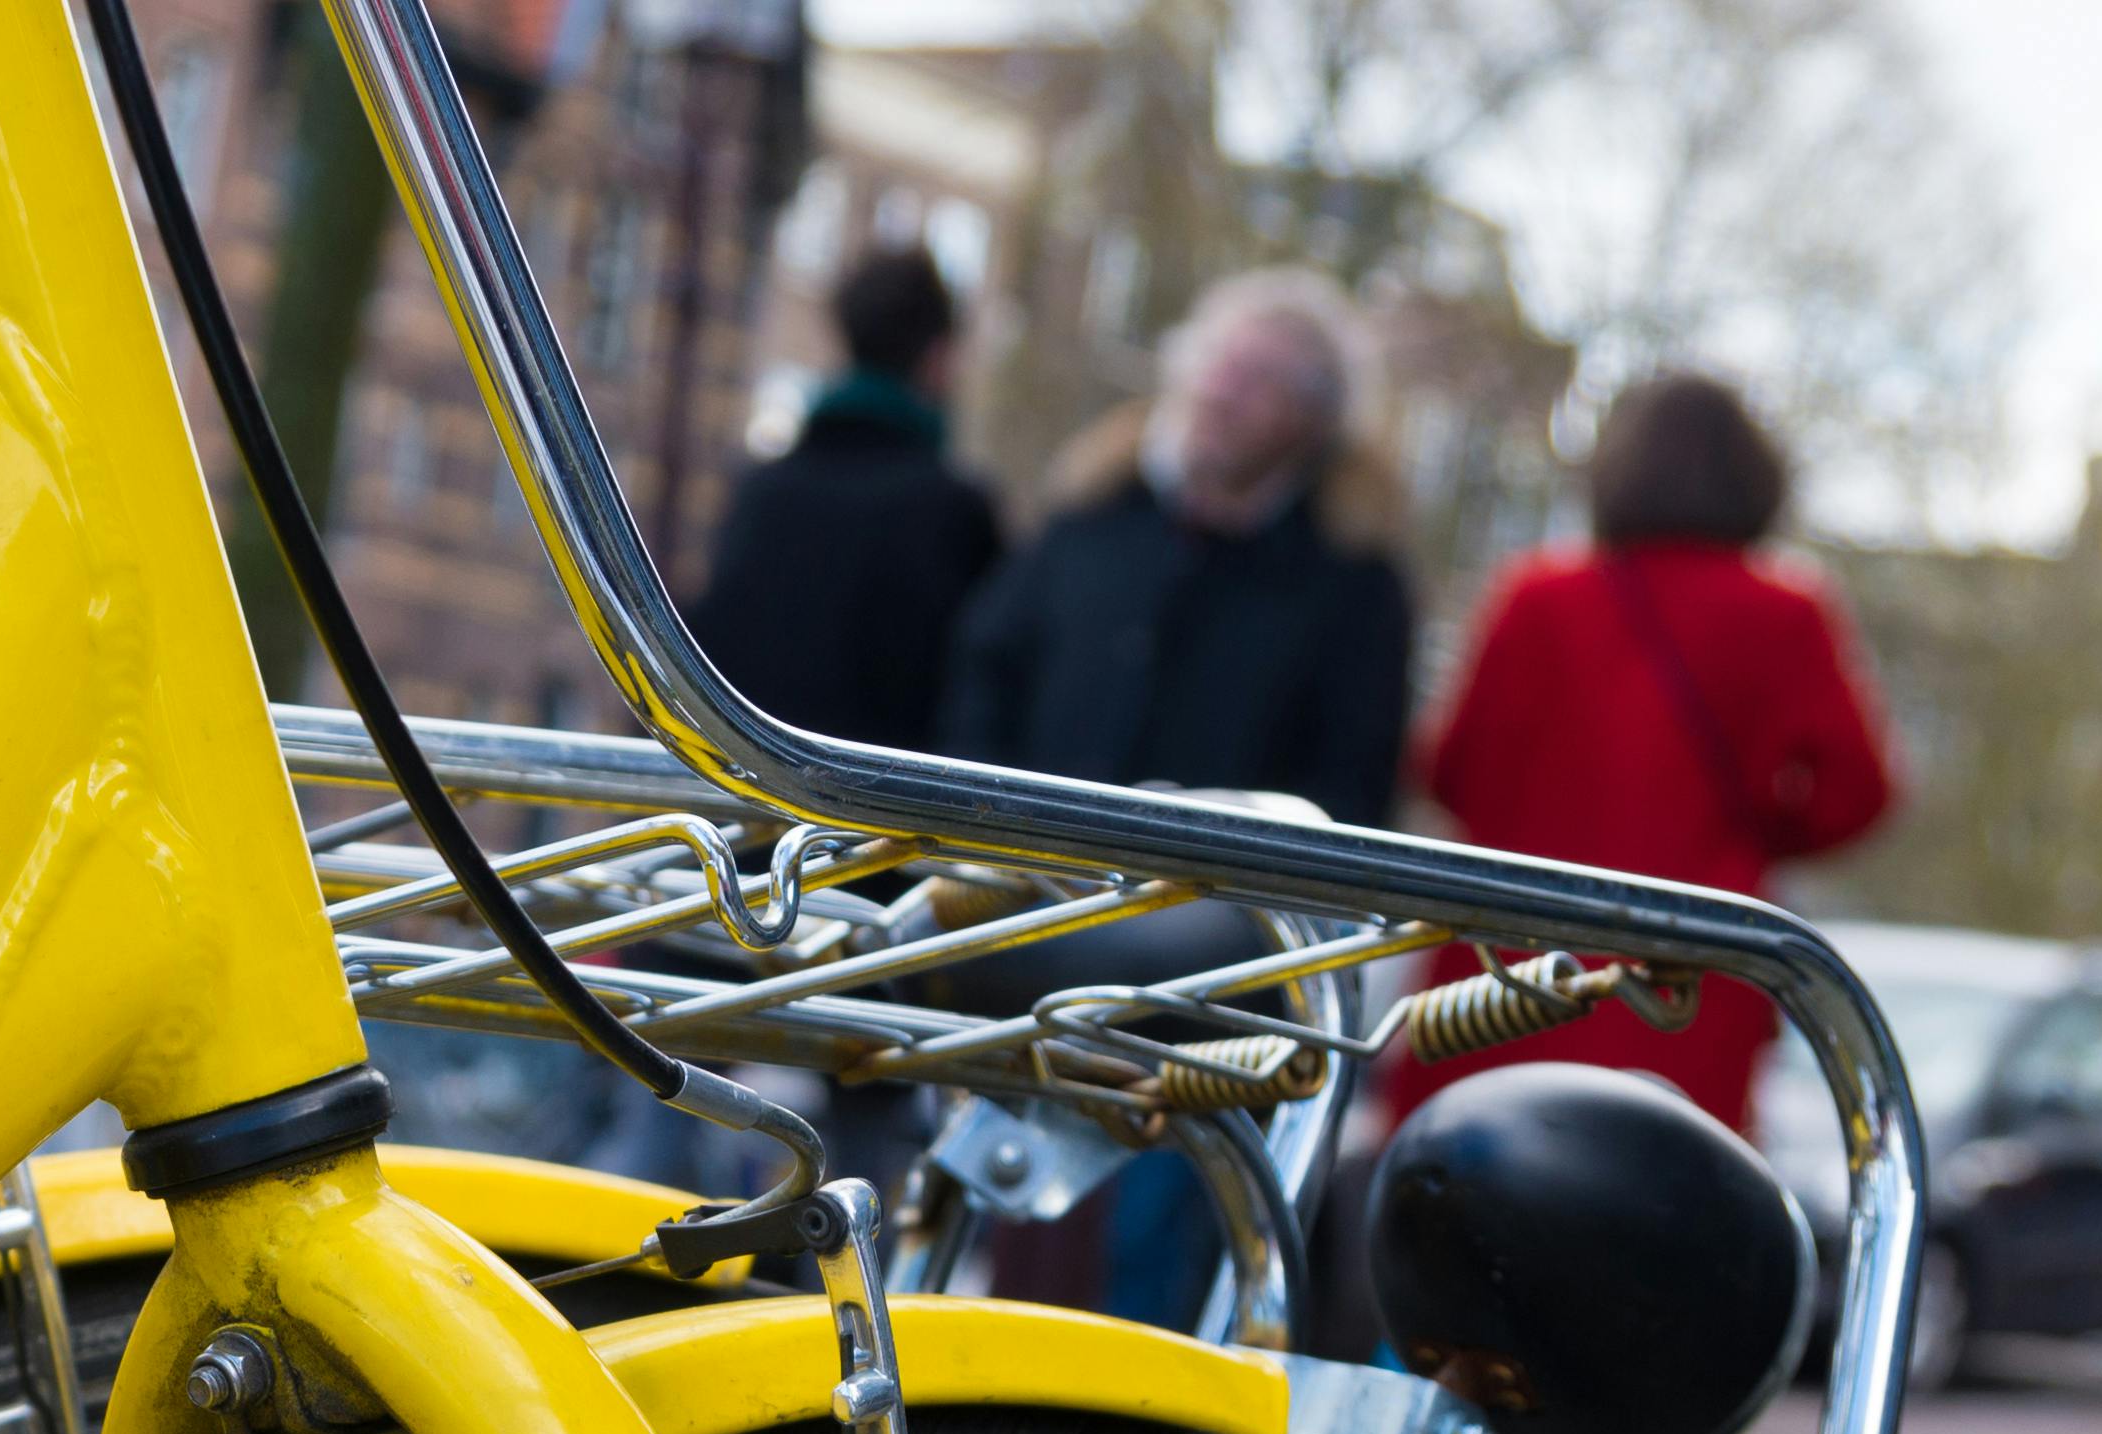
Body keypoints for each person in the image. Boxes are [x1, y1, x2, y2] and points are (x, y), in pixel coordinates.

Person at [1394, 370, 1900, 1131]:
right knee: (1657, 1197)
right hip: (1686, 976)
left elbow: (1448, 770)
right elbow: (1859, 792)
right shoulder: (1787, 614)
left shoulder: (1535, 599)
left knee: (1464, 1194)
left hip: (1506, 973)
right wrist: (1749, 835)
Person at [937, 267, 1416, 826]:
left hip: (1214, 905)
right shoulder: (1096, 510)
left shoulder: (1352, 586)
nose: (1221, 393)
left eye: (1258, 379)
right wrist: (989, 822)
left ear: (1313, 419)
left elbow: (1349, 788)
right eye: (1218, 363)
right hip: (1024, 891)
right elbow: (987, 671)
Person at [690, 246, 1005, 749]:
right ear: (937, 357)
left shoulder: (762, 493)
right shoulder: (953, 512)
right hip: (881, 822)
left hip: (747, 810)